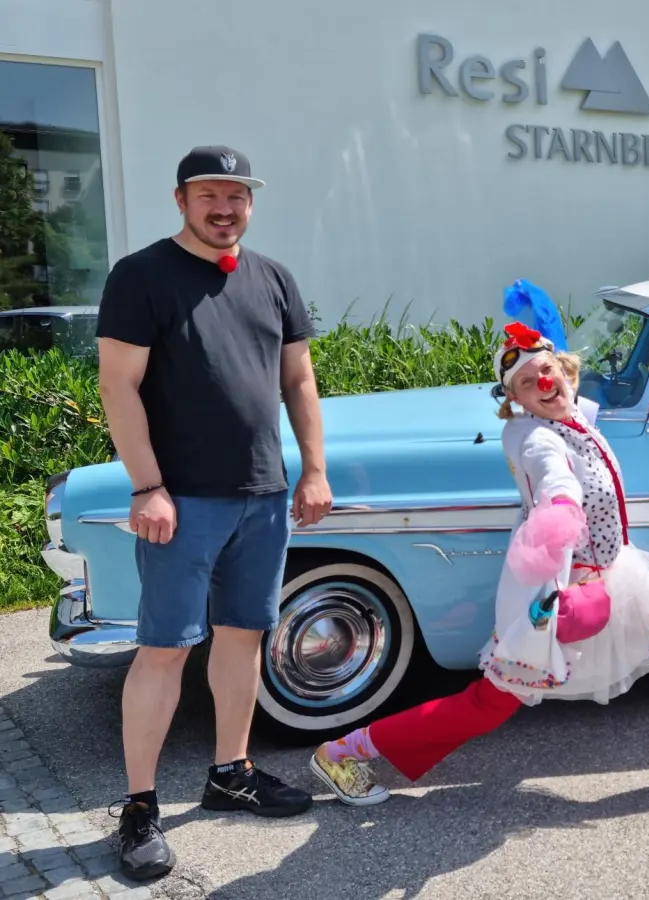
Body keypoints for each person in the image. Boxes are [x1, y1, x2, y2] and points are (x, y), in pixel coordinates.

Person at [308, 318, 649, 805]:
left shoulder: (576, 414)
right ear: (516, 401)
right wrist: (562, 506)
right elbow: (554, 477)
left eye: (548, 371)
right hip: (553, 594)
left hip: (613, 573)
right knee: (490, 705)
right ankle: (343, 751)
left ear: (565, 371)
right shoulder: (536, 438)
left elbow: (608, 397)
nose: (544, 384)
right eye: (527, 382)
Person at [95, 146, 332, 882]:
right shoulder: (140, 277)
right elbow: (119, 386)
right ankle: (139, 808)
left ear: (251, 203)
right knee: (165, 649)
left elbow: (298, 379)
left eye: (237, 196)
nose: (224, 208)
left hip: (262, 496)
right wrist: (147, 486)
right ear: (180, 200)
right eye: (209, 195)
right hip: (181, 501)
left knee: (243, 639)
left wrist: (313, 470)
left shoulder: (273, 279)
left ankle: (232, 772)